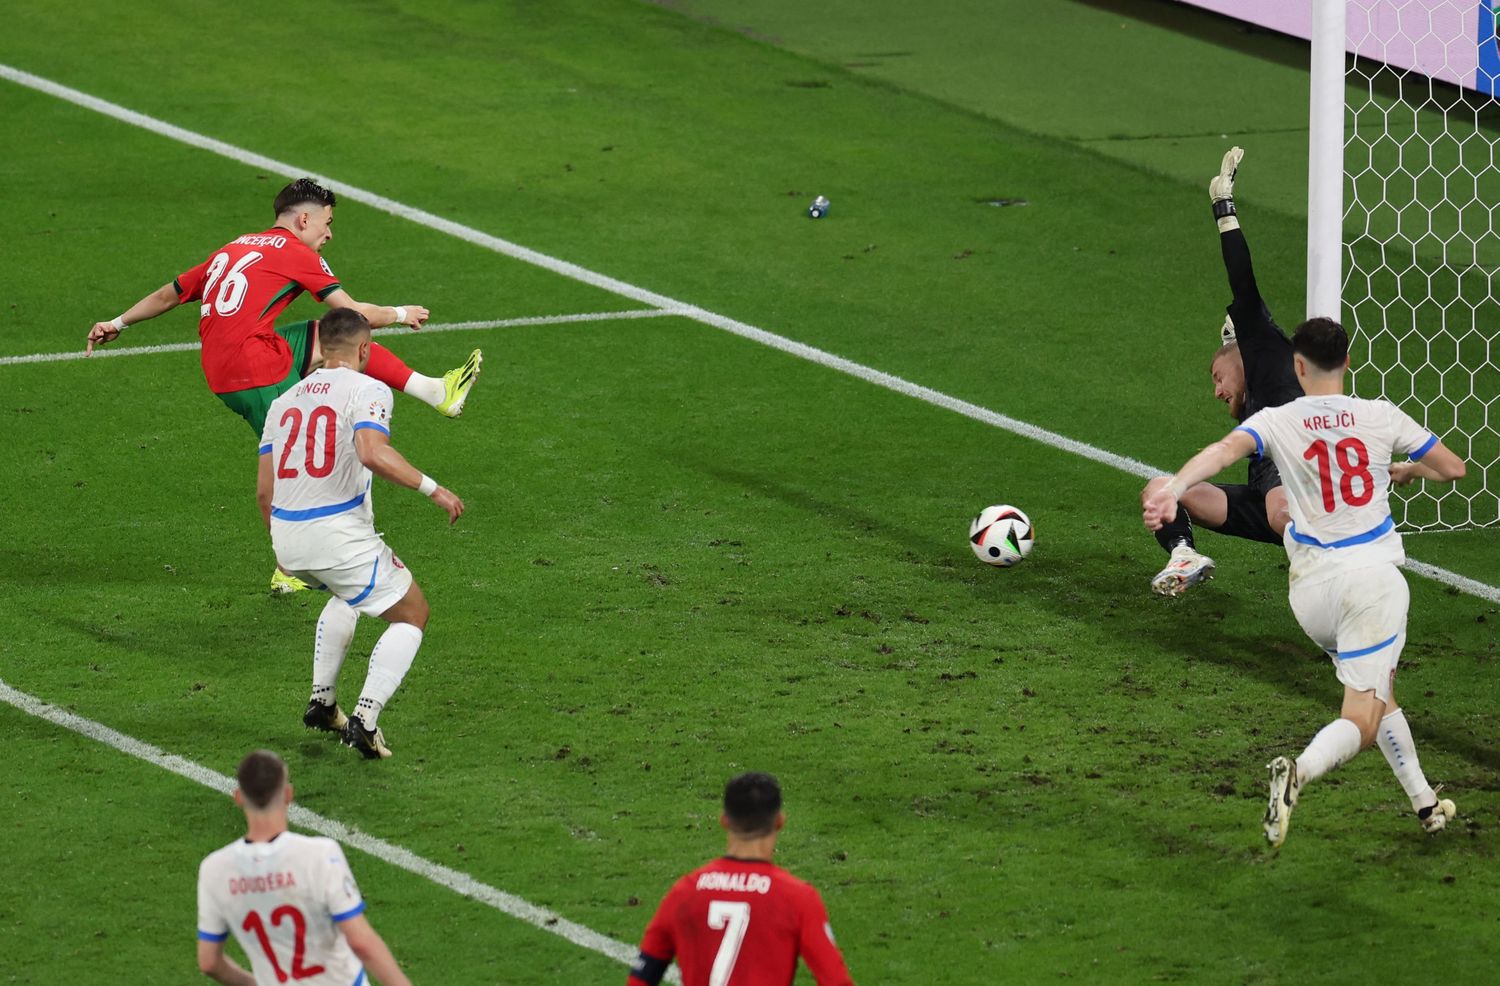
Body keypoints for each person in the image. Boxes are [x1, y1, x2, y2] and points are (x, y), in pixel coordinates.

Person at [1143, 317, 1466, 847]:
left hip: (1311, 593)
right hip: (1370, 584)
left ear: (1297, 366)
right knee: (1361, 719)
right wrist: (1408, 470)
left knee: (1379, 686)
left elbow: (1223, 451)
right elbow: (1452, 468)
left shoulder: (1278, 419)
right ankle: (1299, 771)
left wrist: (1172, 488)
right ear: (1348, 362)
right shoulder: (1379, 415)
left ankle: (1425, 803)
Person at [86, 177, 482, 593]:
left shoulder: (235, 247)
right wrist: (401, 313)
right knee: (296, 462)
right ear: (304, 218)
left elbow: (169, 295)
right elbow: (352, 313)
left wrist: (116, 322)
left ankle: (436, 391)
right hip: (254, 370)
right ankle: (288, 568)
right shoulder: (296, 252)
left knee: (329, 338)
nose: (329, 233)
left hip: (235, 358)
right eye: (326, 223)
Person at [256, 309, 464, 758]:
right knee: (412, 613)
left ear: (321, 348)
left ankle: (322, 702)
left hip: (287, 541)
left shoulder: (282, 401)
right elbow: (372, 453)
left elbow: (263, 491)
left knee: (345, 595)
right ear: (365, 349)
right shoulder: (369, 388)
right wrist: (434, 489)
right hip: (337, 536)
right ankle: (365, 721)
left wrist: (283, 551)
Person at [1140, 147, 1304, 596]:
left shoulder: (1265, 353)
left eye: (1216, 375)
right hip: (1264, 489)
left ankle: (1323, 575)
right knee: (1161, 489)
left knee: (1279, 509)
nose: (1216, 391)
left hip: (1296, 484)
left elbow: (1242, 282)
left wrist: (1223, 208)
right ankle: (1184, 556)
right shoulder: (1254, 411)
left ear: (1237, 350)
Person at [196, 749, 412, 985]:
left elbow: (209, 962)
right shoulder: (319, 855)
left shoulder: (215, 869)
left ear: (238, 797)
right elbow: (361, 942)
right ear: (288, 794)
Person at [628, 772, 854, 986]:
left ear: (724, 820)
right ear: (779, 821)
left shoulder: (684, 893)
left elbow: (641, 978)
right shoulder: (798, 899)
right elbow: (836, 980)